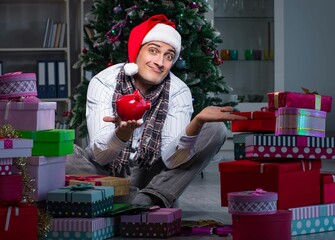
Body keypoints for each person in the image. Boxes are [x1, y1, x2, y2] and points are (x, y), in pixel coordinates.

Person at [67, 14, 246, 208]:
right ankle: (143, 202)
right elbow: (99, 156)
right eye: (153, 51)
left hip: (151, 174)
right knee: (63, 154)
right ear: (137, 51)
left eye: (169, 56)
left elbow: (172, 161)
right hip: (106, 173)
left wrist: (196, 125)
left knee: (216, 129)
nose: (160, 62)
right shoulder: (104, 82)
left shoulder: (178, 92)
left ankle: (144, 198)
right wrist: (122, 133)